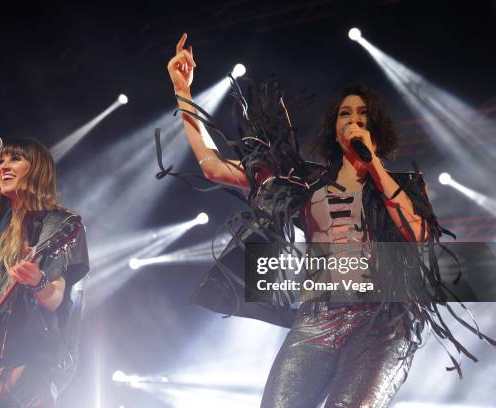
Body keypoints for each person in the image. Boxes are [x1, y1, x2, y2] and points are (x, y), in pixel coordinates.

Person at [164, 33, 494, 408]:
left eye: (362, 115)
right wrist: (183, 92)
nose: (353, 120)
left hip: (382, 321)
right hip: (315, 316)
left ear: (376, 129)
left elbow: (417, 235)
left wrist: (374, 166)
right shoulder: (303, 180)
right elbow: (213, 167)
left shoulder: (404, 184)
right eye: (345, 114)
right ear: (333, 128)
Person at [0, 138, 89, 407]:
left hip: (29, 357)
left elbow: (56, 298)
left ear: (37, 170)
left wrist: (38, 280)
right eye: (1, 161)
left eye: (15, 159)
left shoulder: (59, 225)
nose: (4, 167)